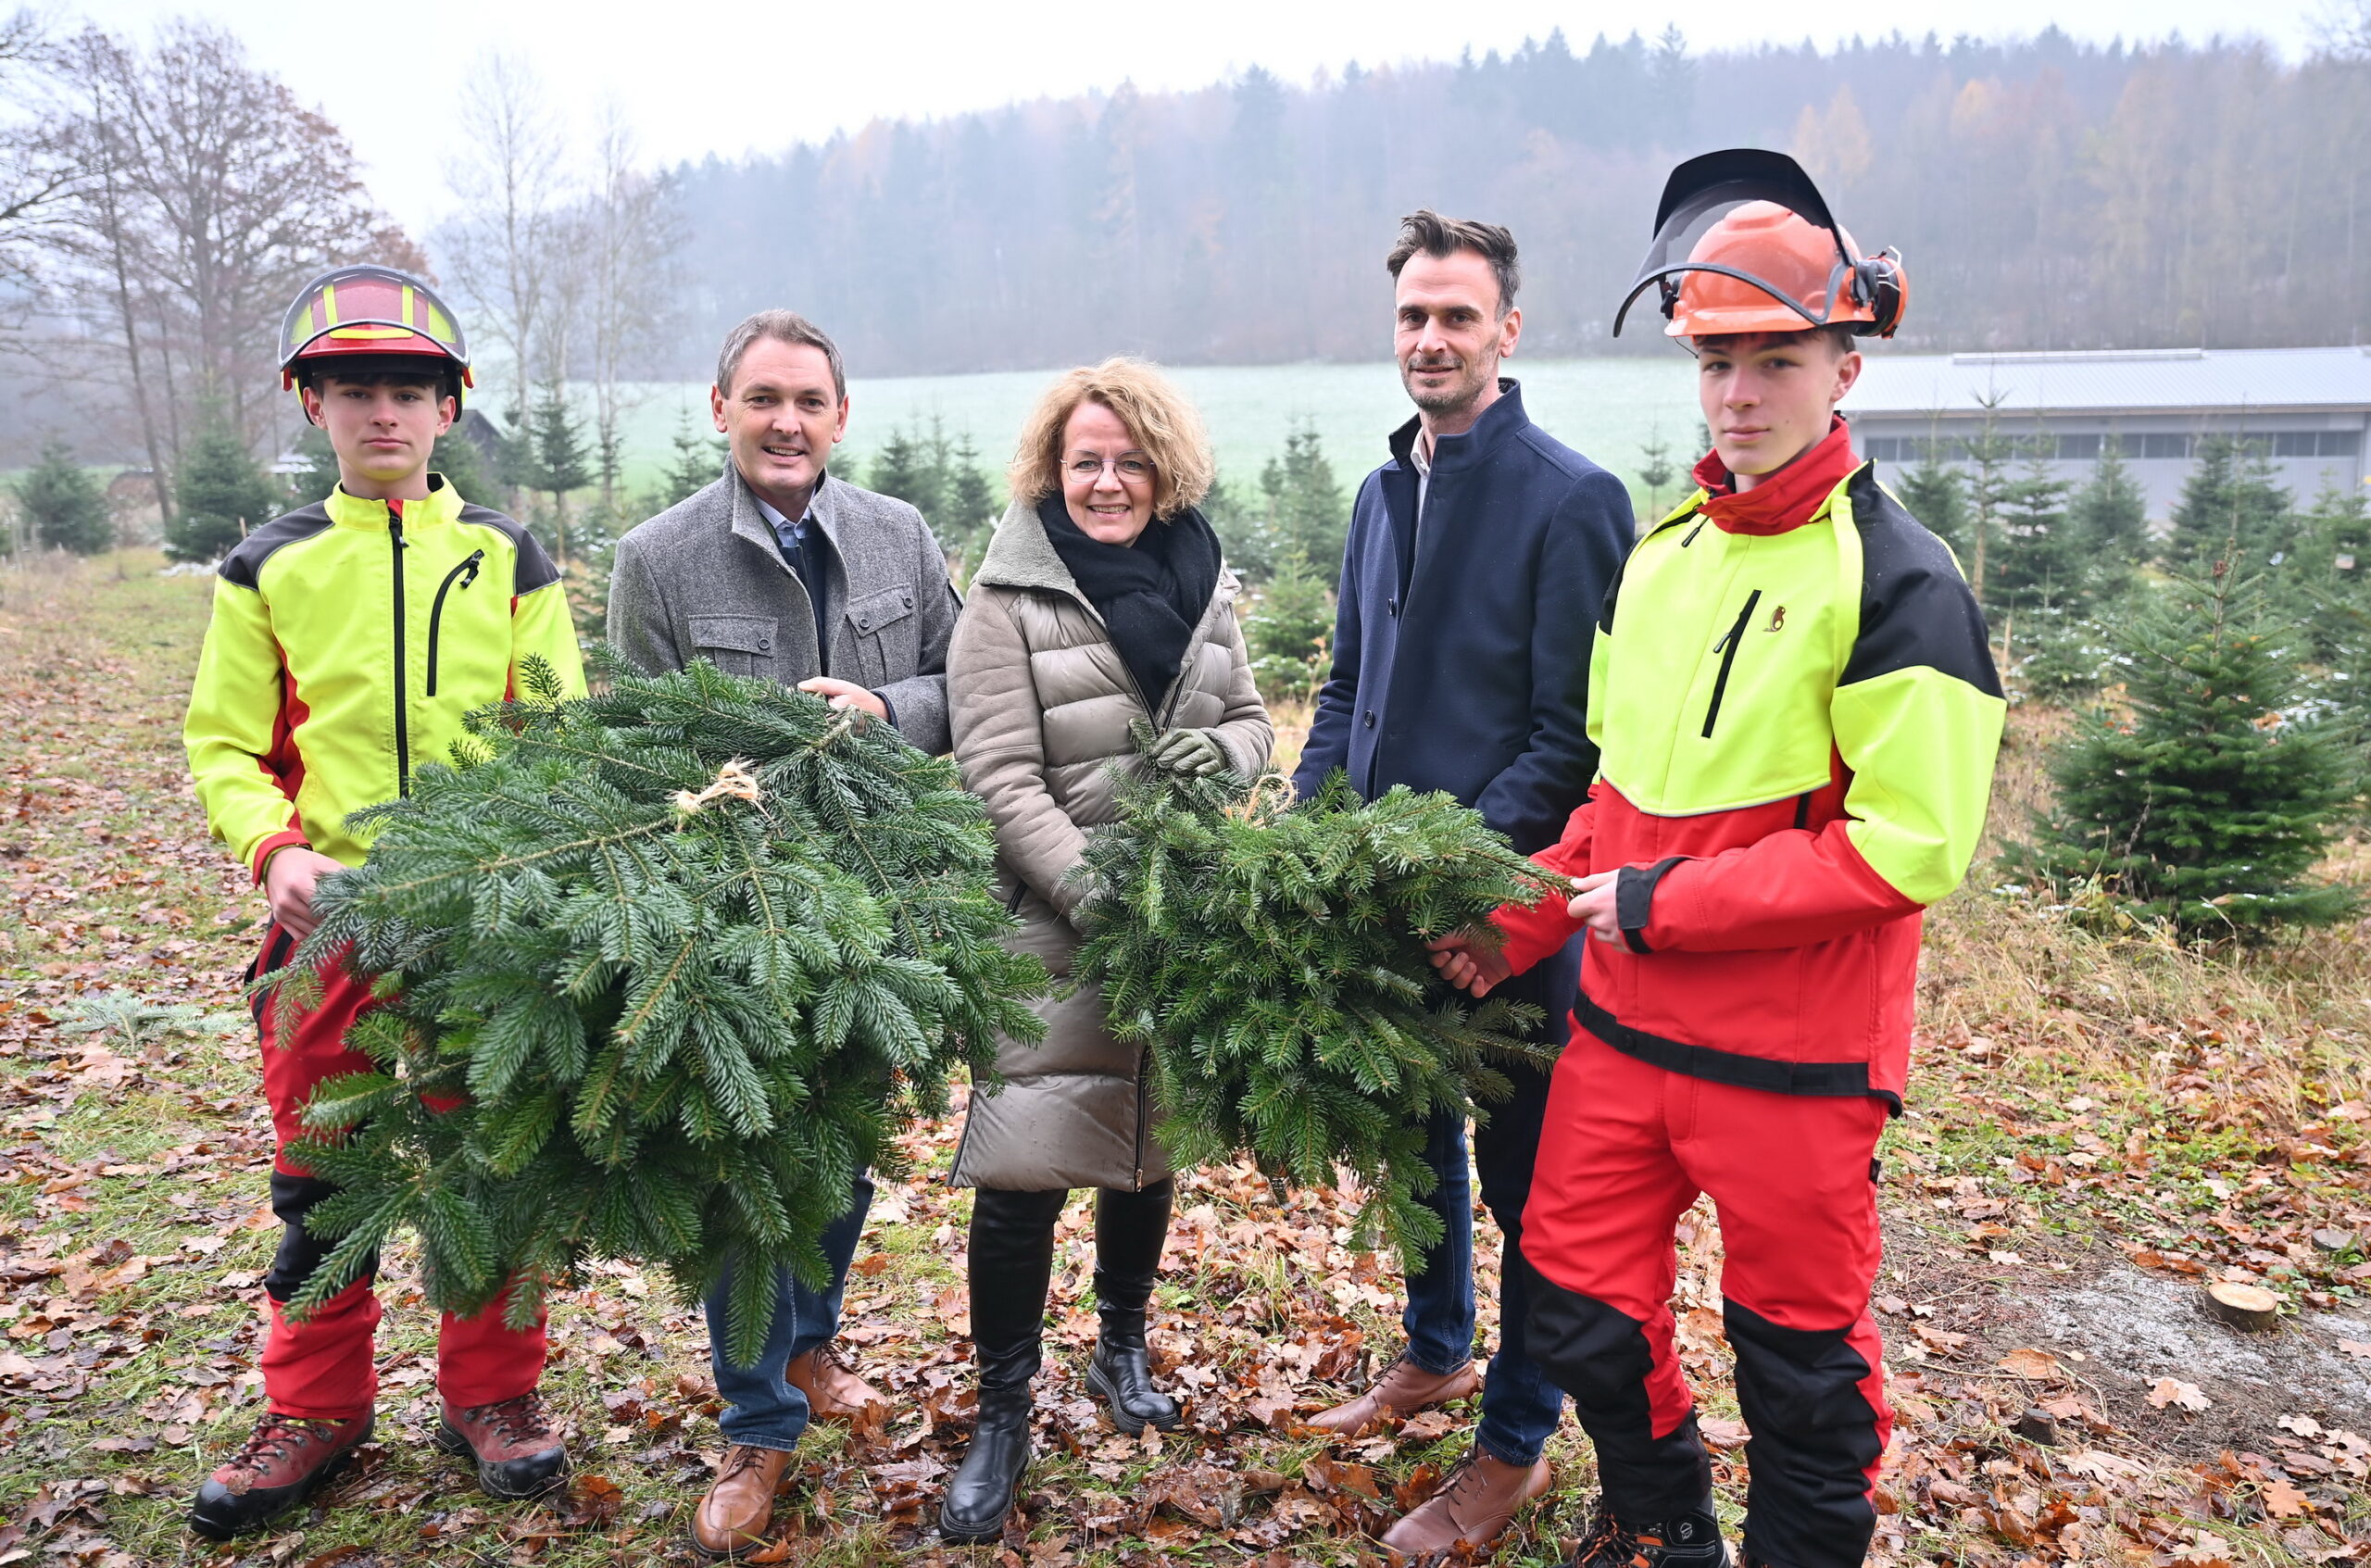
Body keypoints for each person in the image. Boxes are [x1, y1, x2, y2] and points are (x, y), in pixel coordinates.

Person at [1426, 151, 2006, 1568]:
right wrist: (1523, 917)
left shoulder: (1902, 580)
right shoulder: (1667, 553)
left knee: (1800, 1366)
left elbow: (1906, 848)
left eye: (1775, 360)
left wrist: (1660, 905)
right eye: (1716, 362)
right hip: (1625, 1035)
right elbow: (1619, 802)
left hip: (1794, 1065)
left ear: (1842, 366)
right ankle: (1667, 1523)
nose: (1741, 393)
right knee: (1575, 1301)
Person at [182, 265, 585, 1539]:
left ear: (450, 410)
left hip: (484, 926)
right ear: (314, 406)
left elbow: (562, 735)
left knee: (491, 1162)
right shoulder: (268, 565)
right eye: (355, 390)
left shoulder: (509, 556)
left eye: (409, 391)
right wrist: (272, 851)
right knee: (323, 1177)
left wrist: (534, 867)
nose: (384, 416)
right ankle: (314, 1407)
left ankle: (495, 1395)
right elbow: (225, 744)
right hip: (330, 927)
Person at [1291, 212, 1633, 1562]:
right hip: (1389, 911)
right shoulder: (1384, 494)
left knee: (1525, 1180)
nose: (1431, 339)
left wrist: (1461, 885)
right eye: (1412, 318)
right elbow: (1344, 698)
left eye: (1457, 317)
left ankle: (1514, 1444)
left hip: (1507, 924)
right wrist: (1311, 842)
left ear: (1508, 329)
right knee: (1416, 1145)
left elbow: (1572, 737)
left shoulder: (1570, 497)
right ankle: (1435, 1349)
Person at [607, 308, 960, 1558]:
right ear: (720, 410)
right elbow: (634, 744)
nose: (787, 421)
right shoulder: (659, 559)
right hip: (732, 918)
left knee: (845, 1150)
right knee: (745, 1169)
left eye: (809, 400)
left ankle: (806, 1349)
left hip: (875, 911)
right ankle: (756, 1423)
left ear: (841, 415)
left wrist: (888, 706)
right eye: (763, 398)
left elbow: (962, 682)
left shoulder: (899, 537)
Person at [938, 358, 1273, 1543]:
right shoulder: (1007, 597)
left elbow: (1251, 720)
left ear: (1162, 466)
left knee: (1148, 1145)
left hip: (1179, 918)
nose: (1106, 480)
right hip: (1053, 929)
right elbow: (997, 776)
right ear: (1052, 466)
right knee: (1025, 1172)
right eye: (1085, 460)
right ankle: (1000, 1412)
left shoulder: (1201, 577)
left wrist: (1226, 761)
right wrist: (1091, 894)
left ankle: (1121, 1341)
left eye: (1129, 459)